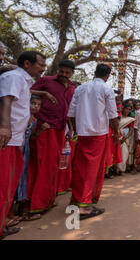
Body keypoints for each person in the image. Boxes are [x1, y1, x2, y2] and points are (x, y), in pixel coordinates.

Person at [0, 51, 46, 238]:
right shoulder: (14, 77)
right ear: (27, 63)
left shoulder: (24, 81)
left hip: (16, 140)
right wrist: (4, 126)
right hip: (7, 140)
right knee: (3, 184)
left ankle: (2, 223)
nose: (43, 69)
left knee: (9, 184)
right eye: (41, 65)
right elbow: (6, 101)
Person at [67, 64, 119, 220]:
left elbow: (71, 113)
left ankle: (76, 201)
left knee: (80, 166)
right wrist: (116, 131)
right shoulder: (106, 89)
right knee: (91, 169)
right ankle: (84, 206)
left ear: (94, 72)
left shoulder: (81, 88)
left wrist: (76, 130)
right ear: (108, 75)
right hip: (98, 133)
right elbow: (112, 114)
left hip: (83, 132)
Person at [27, 59, 75, 215]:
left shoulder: (71, 88)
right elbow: (25, 91)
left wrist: (70, 129)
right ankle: (35, 204)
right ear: (58, 70)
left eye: (67, 73)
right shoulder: (46, 81)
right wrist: (44, 93)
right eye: (62, 71)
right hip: (44, 128)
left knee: (54, 165)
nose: (63, 75)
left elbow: (68, 109)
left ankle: (48, 200)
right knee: (42, 166)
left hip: (60, 129)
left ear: (72, 74)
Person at [15, 95, 47, 221]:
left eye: (38, 105)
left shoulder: (34, 120)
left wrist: (42, 130)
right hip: (17, 147)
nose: (35, 106)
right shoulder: (21, 116)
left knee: (22, 178)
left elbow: (32, 137)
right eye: (33, 103)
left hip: (25, 150)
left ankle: (20, 210)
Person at [118, 104, 136, 173]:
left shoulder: (130, 119)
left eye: (129, 109)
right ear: (123, 108)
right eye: (126, 109)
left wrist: (125, 137)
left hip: (125, 138)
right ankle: (114, 169)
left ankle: (121, 169)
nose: (128, 111)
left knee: (124, 153)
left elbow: (131, 130)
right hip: (117, 137)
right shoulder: (118, 117)